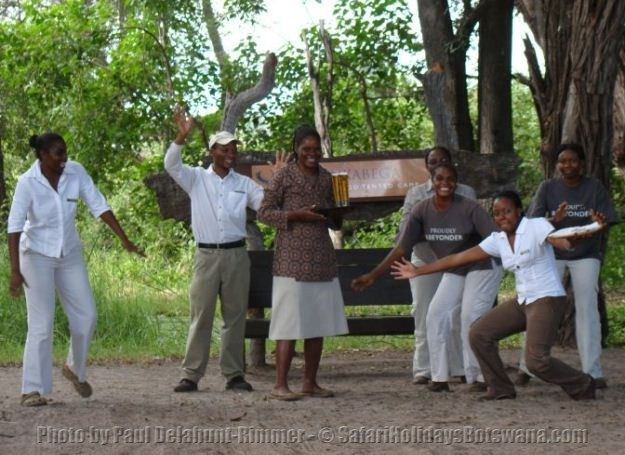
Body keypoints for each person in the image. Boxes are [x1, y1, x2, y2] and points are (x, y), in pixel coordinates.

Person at [391, 191, 600, 401]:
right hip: (523, 301)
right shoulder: (497, 240)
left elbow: (562, 242)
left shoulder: (536, 226)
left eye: (507, 211)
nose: (502, 217)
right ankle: (500, 387)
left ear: (518, 212)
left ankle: (582, 383)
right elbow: (458, 258)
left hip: (547, 299)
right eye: (497, 213)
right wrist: (419, 270)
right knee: (479, 334)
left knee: (536, 362)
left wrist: (589, 230)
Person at [8, 132, 144, 407]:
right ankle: (32, 390)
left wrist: (125, 240)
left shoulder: (75, 172)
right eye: (58, 153)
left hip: (69, 253)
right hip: (35, 255)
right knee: (41, 323)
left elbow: (99, 205)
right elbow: (14, 226)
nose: (64, 158)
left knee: (87, 315)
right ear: (43, 155)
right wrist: (15, 270)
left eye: (65, 152)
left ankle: (74, 369)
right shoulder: (27, 182)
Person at [352, 163, 502, 392]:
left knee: (468, 316)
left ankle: (480, 377)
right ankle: (439, 378)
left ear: (456, 182)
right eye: (440, 178)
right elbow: (402, 248)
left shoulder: (469, 208)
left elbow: (497, 240)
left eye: (451, 179)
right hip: (455, 267)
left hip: (483, 265)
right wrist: (374, 275)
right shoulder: (421, 210)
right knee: (435, 314)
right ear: (431, 182)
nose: (445, 183)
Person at [165, 108, 264, 393]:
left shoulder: (243, 183)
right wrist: (181, 136)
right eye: (225, 148)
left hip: (236, 255)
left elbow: (264, 204)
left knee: (234, 317)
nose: (231, 152)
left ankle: (234, 374)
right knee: (201, 316)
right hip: (206, 256)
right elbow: (171, 165)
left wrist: (278, 179)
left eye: (234, 148)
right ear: (212, 152)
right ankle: (191, 375)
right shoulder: (196, 178)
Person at [257, 125, 348, 401]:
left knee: (316, 323)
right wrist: (296, 215)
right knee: (288, 324)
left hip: (321, 258)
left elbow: (334, 220)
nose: (312, 153)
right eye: (306, 149)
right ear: (296, 148)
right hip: (291, 261)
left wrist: (337, 212)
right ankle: (280, 386)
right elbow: (264, 213)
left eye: (316, 149)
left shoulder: (326, 178)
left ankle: (310, 382)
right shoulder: (284, 175)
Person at [517, 143, 618, 388]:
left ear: (582, 164)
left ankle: (592, 372)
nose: (567, 166)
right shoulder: (548, 188)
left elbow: (608, 219)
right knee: (538, 305)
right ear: (556, 165)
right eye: (562, 161)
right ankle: (526, 367)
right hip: (551, 253)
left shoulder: (594, 187)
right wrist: (555, 221)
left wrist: (599, 223)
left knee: (587, 308)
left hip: (585, 254)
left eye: (573, 161)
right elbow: (532, 224)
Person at [398, 146, 476, 385]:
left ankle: (460, 366)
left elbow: (471, 227)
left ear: (452, 165)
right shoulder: (416, 194)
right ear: (427, 167)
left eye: (443, 160)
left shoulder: (466, 192)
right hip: (424, 259)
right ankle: (424, 369)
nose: (438, 164)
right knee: (423, 312)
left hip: (457, 260)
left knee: (456, 314)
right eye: (433, 162)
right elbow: (405, 230)